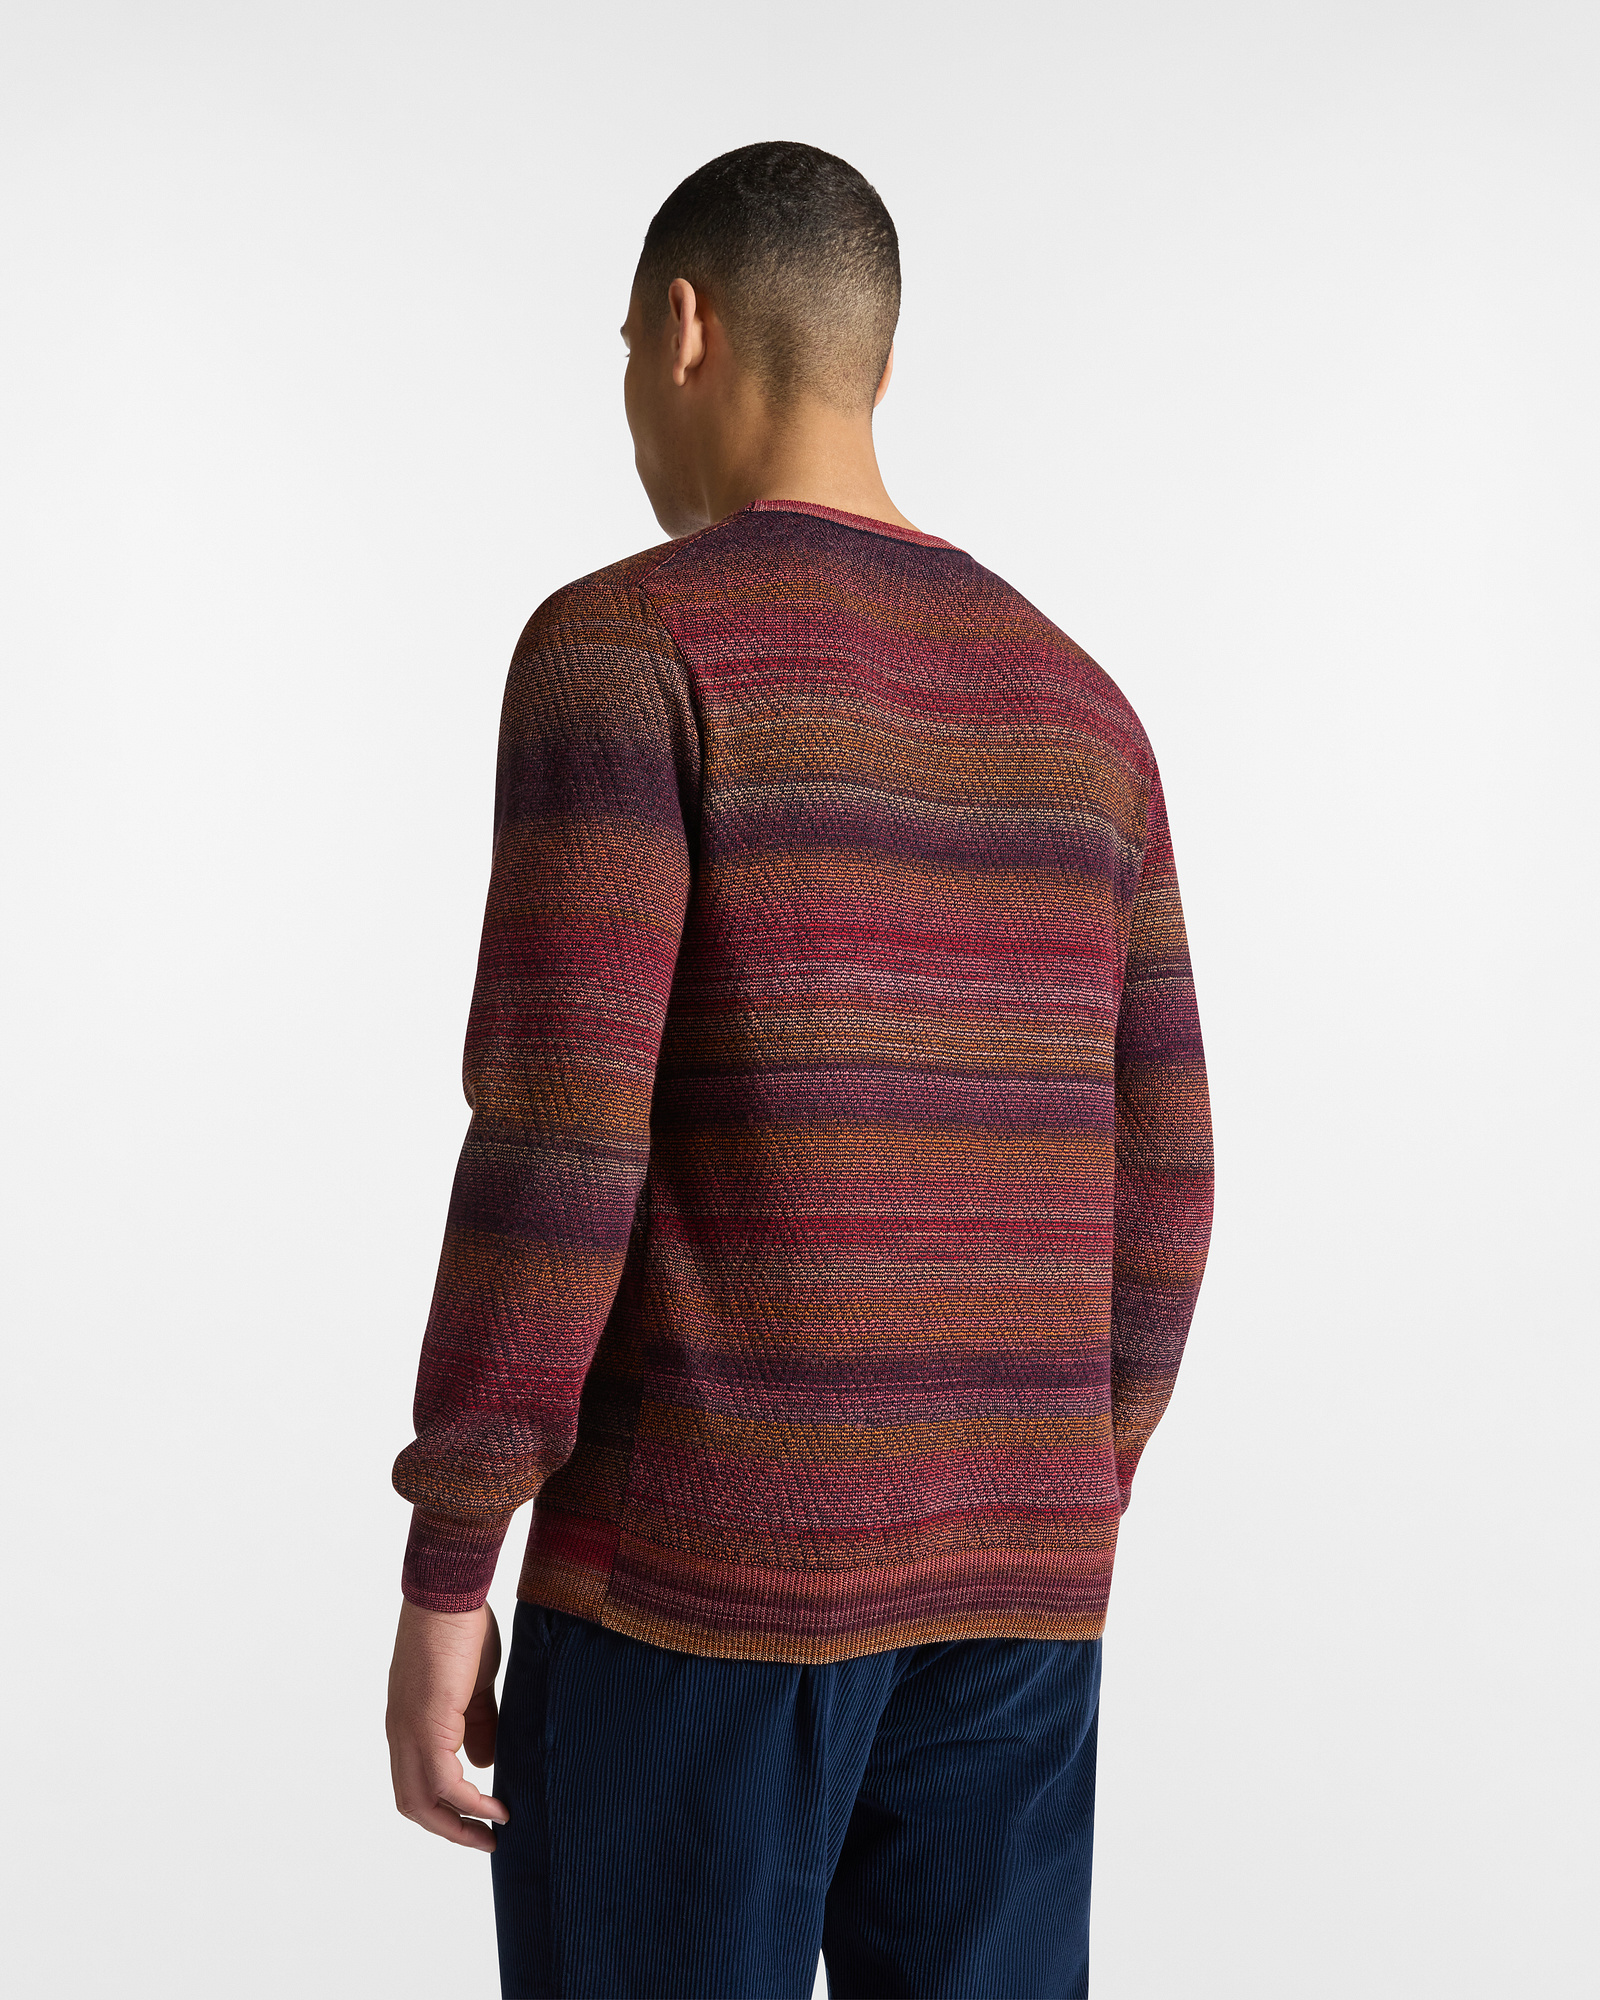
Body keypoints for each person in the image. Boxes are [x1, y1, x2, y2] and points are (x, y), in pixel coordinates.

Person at [385, 139, 1213, 2000]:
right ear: (876, 364)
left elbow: (560, 1139)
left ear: (683, 328)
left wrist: (451, 1560)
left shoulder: (626, 649)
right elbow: (1171, 1163)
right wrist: (1058, 1479)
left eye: (625, 347)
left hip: (699, 1582)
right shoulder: (1085, 709)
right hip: (1018, 1591)